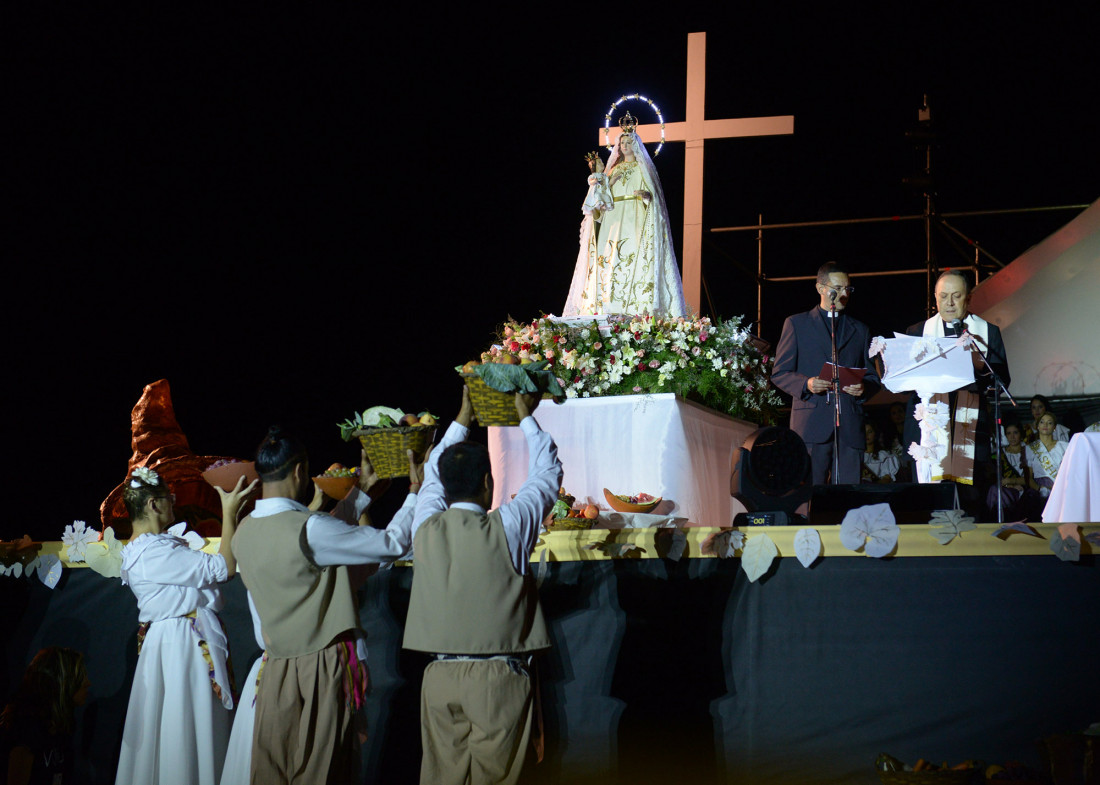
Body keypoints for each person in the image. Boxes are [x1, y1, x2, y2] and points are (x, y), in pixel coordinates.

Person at [220, 449, 426, 785]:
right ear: (301, 471)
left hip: (274, 670)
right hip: (320, 664)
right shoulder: (310, 527)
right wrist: (415, 491)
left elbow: (317, 536)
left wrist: (359, 496)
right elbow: (392, 542)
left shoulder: (245, 530)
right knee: (322, 767)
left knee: (273, 769)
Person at [404, 387, 562, 785]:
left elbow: (431, 480)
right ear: (489, 484)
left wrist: (462, 417)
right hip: (495, 680)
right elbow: (547, 474)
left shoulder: (424, 524)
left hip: (438, 678)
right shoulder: (507, 526)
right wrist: (525, 415)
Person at [114, 467, 256, 785]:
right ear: (153, 504)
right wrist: (229, 512)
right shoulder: (155, 552)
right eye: (169, 498)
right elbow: (223, 568)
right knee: (185, 723)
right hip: (182, 644)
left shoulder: (146, 549)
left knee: (177, 724)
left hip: (169, 642)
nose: (174, 504)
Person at [903, 270, 1010, 512]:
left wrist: (979, 369)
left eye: (956, 296)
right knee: (929, 506)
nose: (949, 303)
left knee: (969, 505)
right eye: (943, 296)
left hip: (970, 428)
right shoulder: (918, 332)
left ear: (968, 298)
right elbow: (904, 387)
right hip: (928, 430)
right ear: (935, 297)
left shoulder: (986, 332)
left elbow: (1002, 381)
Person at [563, 113, 687, 318]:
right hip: (613, 219)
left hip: (635, 218)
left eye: (629, 142)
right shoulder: (613, 170)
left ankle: (636, 309)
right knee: (611, 260)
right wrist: (605, 182)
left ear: (636, 145)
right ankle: (608, 306)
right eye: (622, 142)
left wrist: (646, 196)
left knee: (633, 258)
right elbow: (600, 201)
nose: (624, 145)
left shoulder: (643, 169)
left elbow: (655, 199)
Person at [771, 261, 880, 484]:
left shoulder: (860, 330)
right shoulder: (796, 324)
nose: (843, 294)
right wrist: (807, 384)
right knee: (810, 494)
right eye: (837, 288)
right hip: (812, 423)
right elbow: (780, 373)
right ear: (820, 288)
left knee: (849, 500)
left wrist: (863, 387)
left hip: (849, 425)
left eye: (847, 289)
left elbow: (872, 377)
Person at [1, 647, 90, 785]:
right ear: (61, 682)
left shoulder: (62, 727)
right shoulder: (26, 732)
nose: (87, 683)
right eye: (79, 676)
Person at [986, 420, 1040, 521]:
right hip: (1008, 490)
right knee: (995, 490)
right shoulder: (1000, 453)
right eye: (1009, 433)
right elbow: (995, 476)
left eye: (1015, 433)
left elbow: (1032, 478)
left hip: (1027, 490)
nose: (1012, 437)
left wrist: (1011, 481)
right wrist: (1009, 485)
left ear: (1021, 433)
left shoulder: (1029, 451)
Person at [1028, 412, 1067, 501]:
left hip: (1059, 487)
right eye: (1042, 422)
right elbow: (1028, 477)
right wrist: (1039, 488)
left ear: (1054, 427)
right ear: (1037, 426)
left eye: (1049, 423)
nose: (1045, 425)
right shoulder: (1030, 448)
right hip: (1038, 489)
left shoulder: (1064, 446)